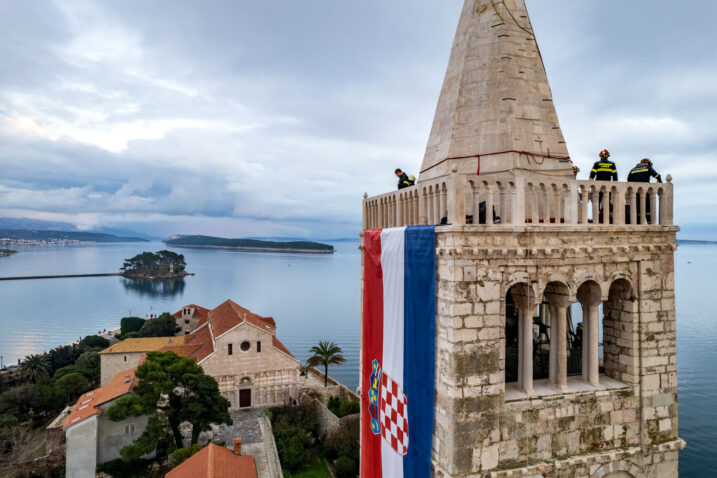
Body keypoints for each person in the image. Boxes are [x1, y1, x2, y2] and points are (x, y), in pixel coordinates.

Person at [627, 159, 662, 223]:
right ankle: (649, 222)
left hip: (636, 193)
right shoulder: (647, 167)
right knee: (648, 208)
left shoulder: (633, 169)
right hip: (645, 192)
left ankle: (639, 222)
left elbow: (629, 180)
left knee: (638, 208)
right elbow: (656, 175)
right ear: (647, 163)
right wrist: (659, 179)